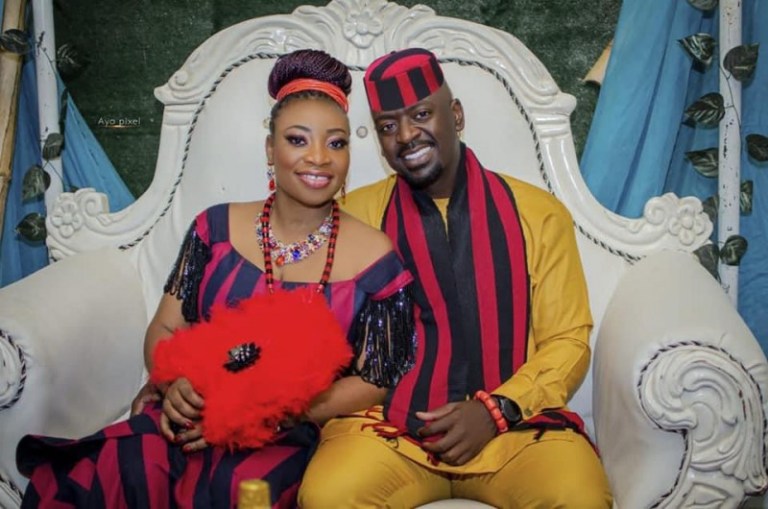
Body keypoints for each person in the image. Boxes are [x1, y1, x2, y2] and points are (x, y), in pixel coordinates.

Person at [16, 49, 416, 509]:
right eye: (297, 140)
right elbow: (166, 327)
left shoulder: (374, 257)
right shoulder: (215, 229)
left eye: (337, 143)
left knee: (237, 488)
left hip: (282, 434)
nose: (319, 158)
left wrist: (273, 413)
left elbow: (378, 378)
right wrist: (173, 384)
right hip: (190, 414)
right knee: (118, 466)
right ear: (270, 150)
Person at [298, 48, 612, 508]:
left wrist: (497, 410)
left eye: (421, 114)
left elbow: (567, 340)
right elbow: (315, 332)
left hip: (515, 434)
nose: (406, 135)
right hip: (388, 433)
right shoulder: (353, 218)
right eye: (388, 126)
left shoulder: (539, 213)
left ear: (457, 115)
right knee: (327, 496)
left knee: (578, 498)